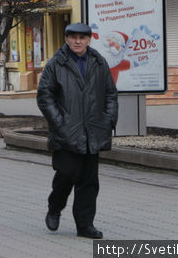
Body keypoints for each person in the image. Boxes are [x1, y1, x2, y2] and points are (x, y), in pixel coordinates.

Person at [36, 22, 118, 240]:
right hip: (66, 133)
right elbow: (45, 97)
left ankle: (85, 225)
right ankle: (55, 207)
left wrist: (108, 120)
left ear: (89, 40)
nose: (78, 41)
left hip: (93, 132)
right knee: (66, 175)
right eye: (73, 37)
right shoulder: (56, 64)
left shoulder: (98, 62)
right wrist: (60, 123)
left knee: (89, 183)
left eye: (82, 38)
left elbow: (110, 93)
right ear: (66, 39)